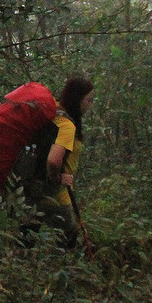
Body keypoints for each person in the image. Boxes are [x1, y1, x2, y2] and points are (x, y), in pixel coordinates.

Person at [20, 76, 94, 247]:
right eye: (89, 100)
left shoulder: (52, 114)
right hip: (55, 193)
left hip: (32, 186)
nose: (90, 105)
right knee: (70, 240)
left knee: (26, 238)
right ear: (78, 99)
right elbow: (53, 161)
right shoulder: (67, 126)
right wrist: (58, 179)